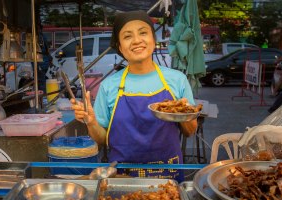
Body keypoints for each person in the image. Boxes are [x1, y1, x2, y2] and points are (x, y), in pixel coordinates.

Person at [71, 11, 197, 181]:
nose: (137, 40)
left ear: (153, 40)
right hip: (121, 177)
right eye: (127, 36)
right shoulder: (109, 85)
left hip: (169, 176)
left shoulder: (177, 80)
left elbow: (190, 131)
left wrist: (182, 113)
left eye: (143, 33)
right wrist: (91, 121)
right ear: (120, 47)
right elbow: (101, 139)